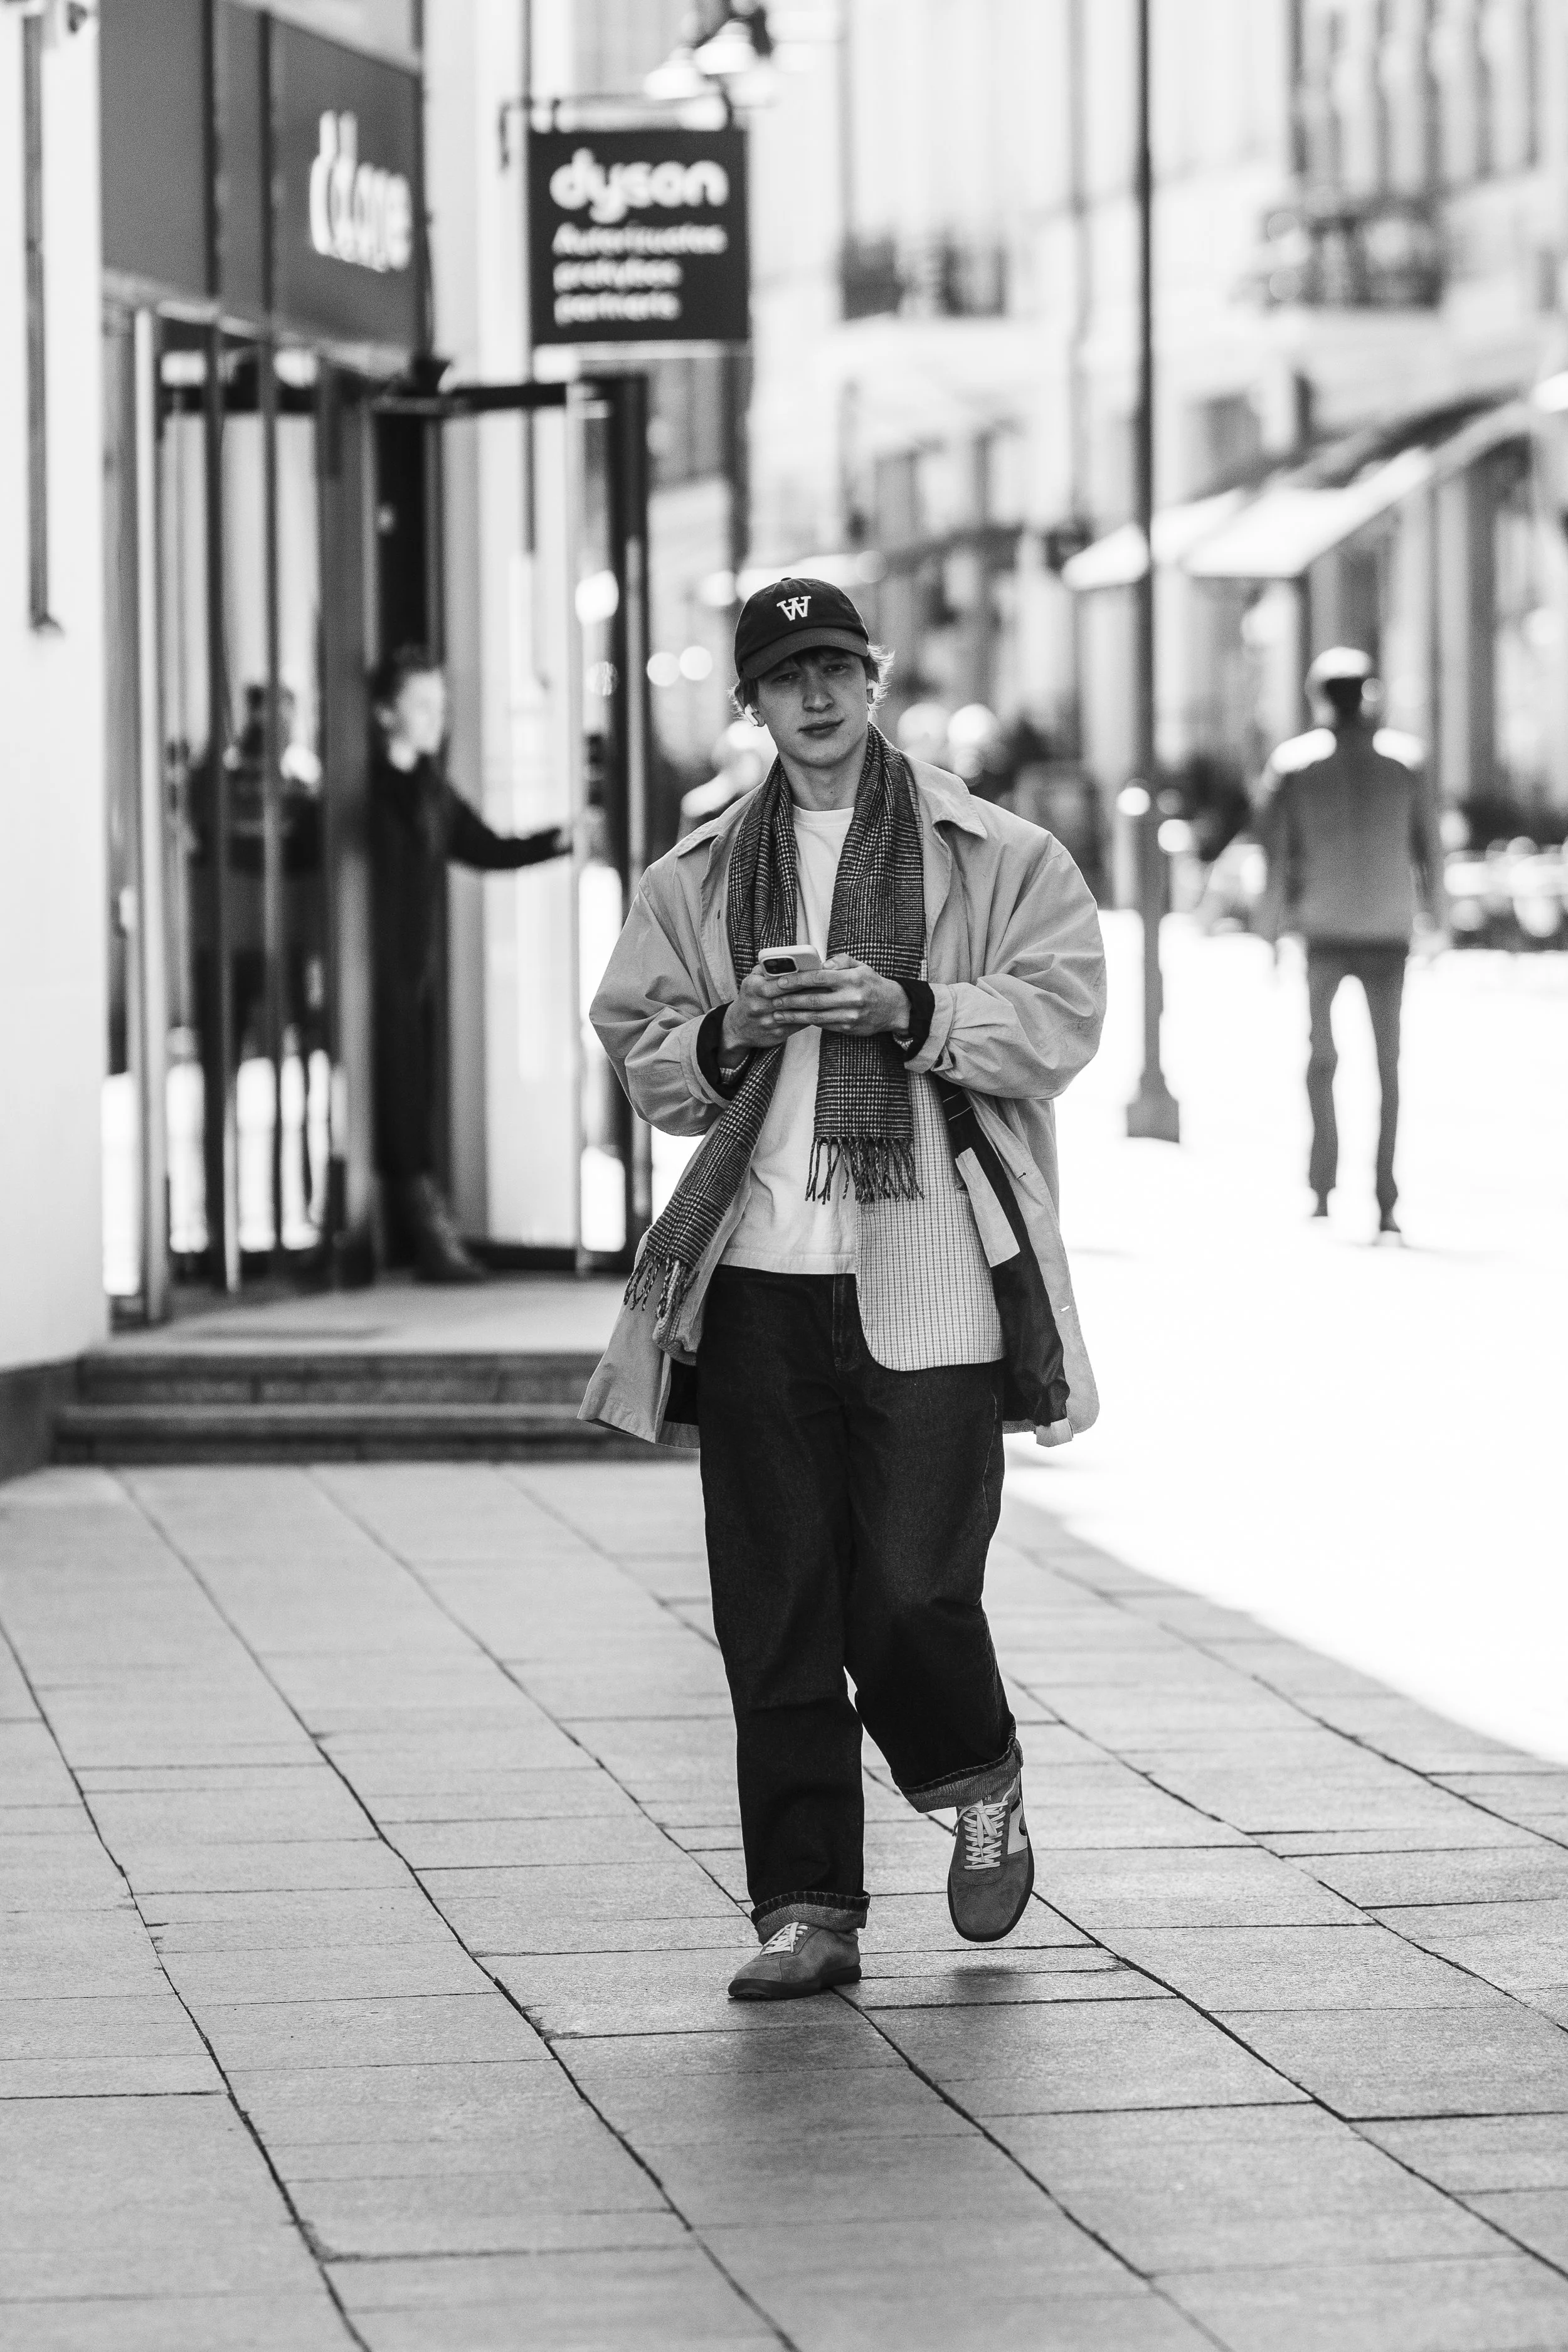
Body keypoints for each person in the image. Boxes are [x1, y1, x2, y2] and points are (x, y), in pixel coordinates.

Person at [581, 578, 1106, 2000]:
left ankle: (978, 1768)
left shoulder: (994, 853)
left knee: (915, 1588)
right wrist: (731, 1030)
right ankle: (806, 1907)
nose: (816, 695)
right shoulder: (693, 877)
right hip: (755, 1278)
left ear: (875, 682)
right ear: (749, 704)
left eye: (839, 667)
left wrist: (912, 1009)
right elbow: (641, 1057)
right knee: (777, 1604)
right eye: (786, 675)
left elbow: (1060, 1017)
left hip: (930, 1264)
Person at [370, 647, 569, 1283]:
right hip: (369, 974)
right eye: (421, 704)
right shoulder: (364, 787)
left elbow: (486, 846)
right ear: (384, 712)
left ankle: (426, 1231)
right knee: (396, 1092)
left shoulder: (431, 790)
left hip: (414, 967)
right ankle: (423, 1234)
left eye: (441, 705)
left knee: (414, 1089)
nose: (436, 717)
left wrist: (558, 839)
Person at [1256, 646, 1448, 1237]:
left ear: (1318, 696)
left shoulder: (1294, 764)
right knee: (1387, 1066)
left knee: (1321, 1060)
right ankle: (1385, 1198)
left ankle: (1323, 1185)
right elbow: (1431, 851)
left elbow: (1278, 856)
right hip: (1389, 927)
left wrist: (1270, 931)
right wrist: (1439, 919)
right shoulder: (1406, 762)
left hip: (1325, 927)